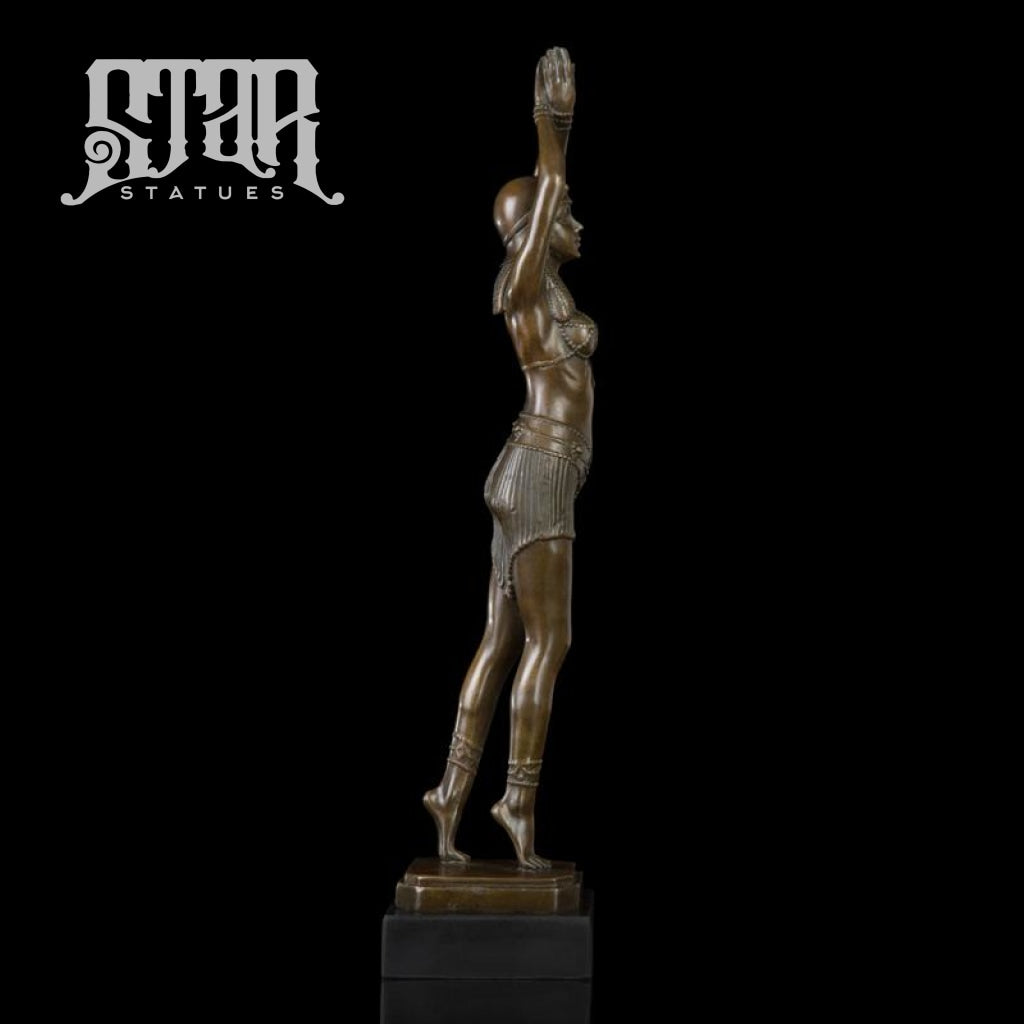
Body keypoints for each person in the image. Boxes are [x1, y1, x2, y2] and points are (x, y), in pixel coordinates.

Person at [423, 47, 595, 870]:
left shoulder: (545, 295)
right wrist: (552, 125)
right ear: (533, 232)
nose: (578, 223)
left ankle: (449, 795)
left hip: (523, 470)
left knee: (500, 641)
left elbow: (555, 196)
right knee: (548, 642)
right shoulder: (525, 286)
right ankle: (515, 800)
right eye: (565, 215)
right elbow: (551, 184)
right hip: (541, 472)